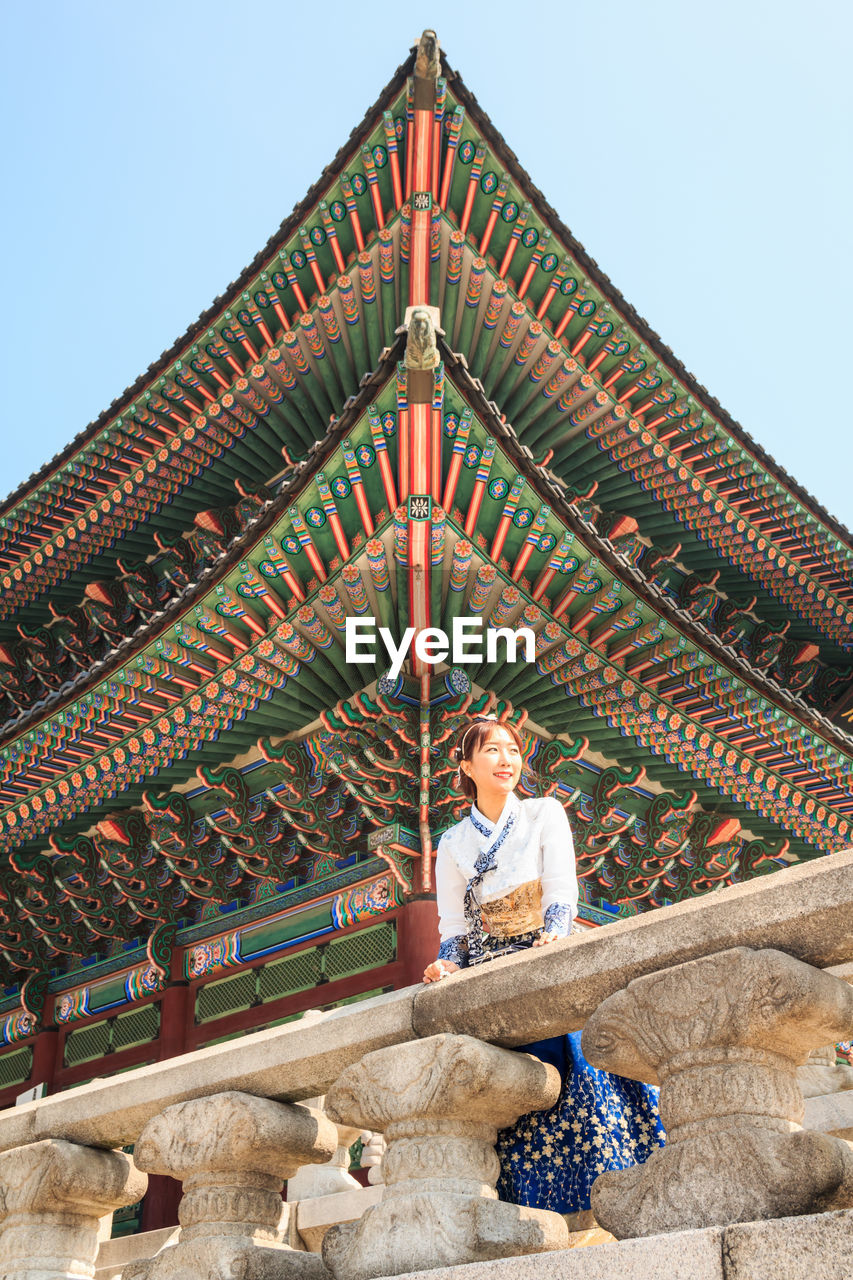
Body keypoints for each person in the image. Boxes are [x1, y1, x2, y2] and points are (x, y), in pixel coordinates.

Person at [423, 715, 665, 1222]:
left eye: (512, 750)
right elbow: (455, 926)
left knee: (584, 1074)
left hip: (545, 949)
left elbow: (560, 887)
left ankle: (614, 1199)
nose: (506, 759)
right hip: (489, 971)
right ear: (466, 765)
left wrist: (555, 932)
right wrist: (447, 963)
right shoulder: (451, 844)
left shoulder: (543, 813)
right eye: (491, 750)